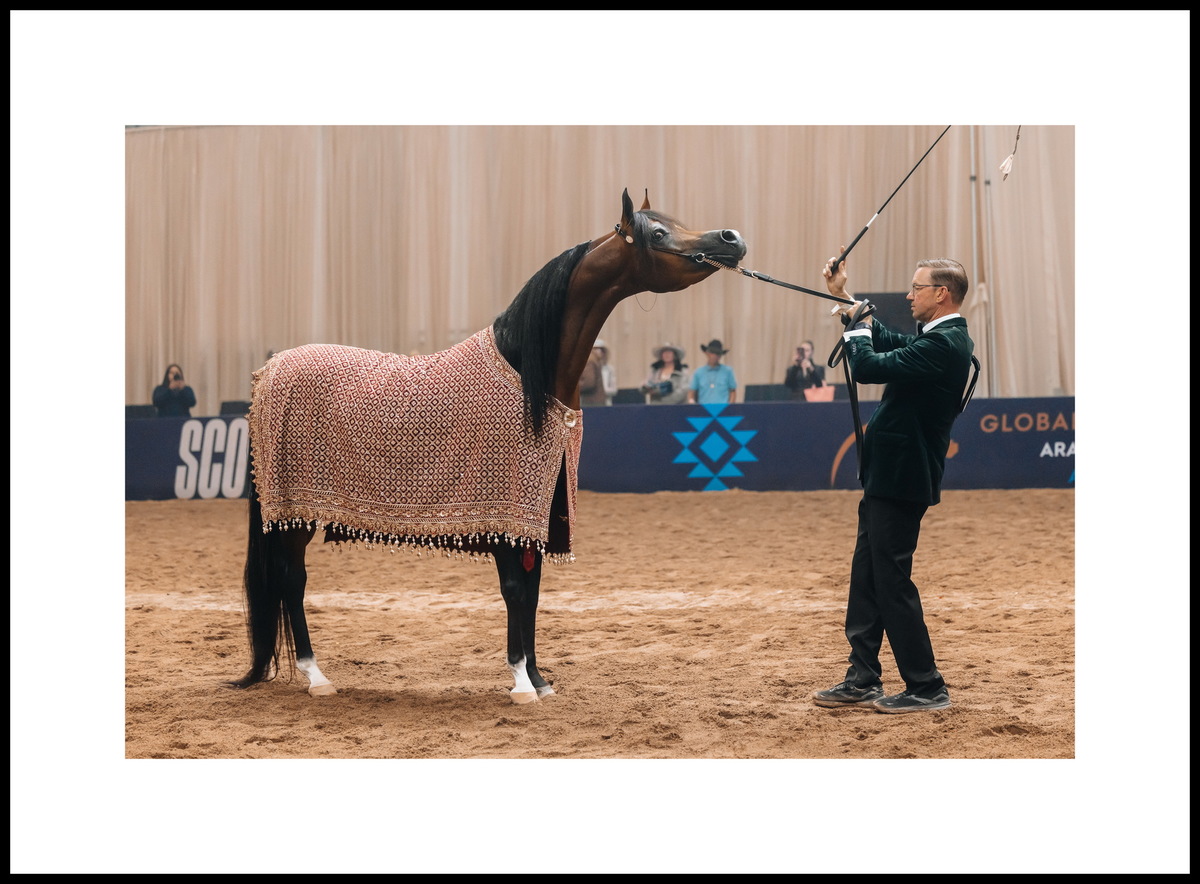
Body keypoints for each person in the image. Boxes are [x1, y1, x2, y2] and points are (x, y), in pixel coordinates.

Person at [811, 253, 975, 714]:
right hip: (891, 473)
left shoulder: (946, 344)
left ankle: (926, 685)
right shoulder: (939, 339)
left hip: (903, 476)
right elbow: (885, 340)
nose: (909, 295)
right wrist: (845, 298)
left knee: (890, 580)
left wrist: (858, 329)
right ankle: (862, 676)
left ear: (941, 294)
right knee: (868, 575)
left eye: (916, 288)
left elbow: (867, 364)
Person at [687, 339, 737, 405]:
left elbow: (733, 391)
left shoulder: (728, 371)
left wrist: (729, 407)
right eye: (712, 352)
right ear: (706, 353)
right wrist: (692, 405)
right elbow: (691, 392)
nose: (715, 356)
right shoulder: (698, 372)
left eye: (718, 353)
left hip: (723, 410)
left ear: (720, 356)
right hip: (703, 410)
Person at [594, 338, 618, 406]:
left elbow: (614, 390)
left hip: (605, 404)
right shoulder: (587, 369)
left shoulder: (609, 369)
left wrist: (602, 391)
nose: (597, 352)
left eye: (600, 350)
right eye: (595, 349)